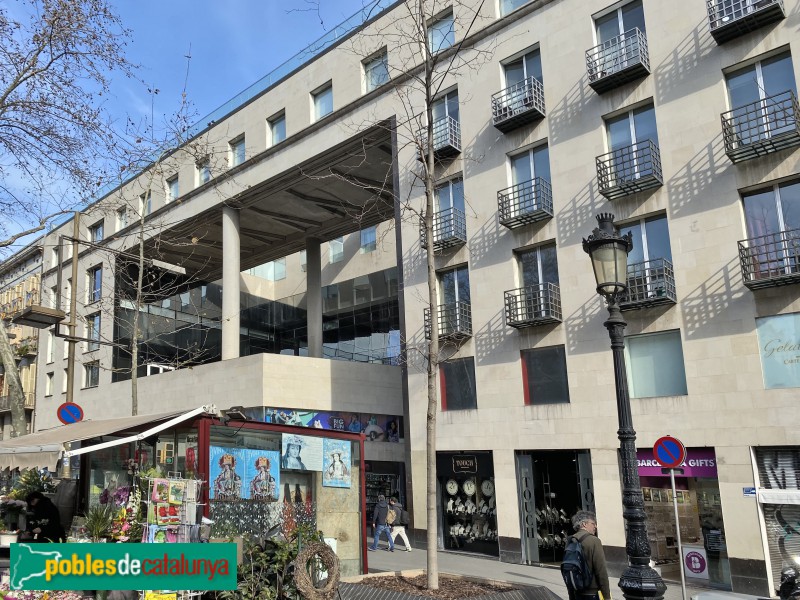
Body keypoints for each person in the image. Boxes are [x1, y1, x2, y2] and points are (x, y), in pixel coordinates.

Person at [565, 510, 610, 600]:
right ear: (584, 524)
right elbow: (601, 571)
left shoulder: (570, 541)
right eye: (593, 523)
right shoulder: (594, 541)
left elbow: (568, 568)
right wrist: (607, 596)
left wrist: (571, 595)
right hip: (591, 593)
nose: (595, 526)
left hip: (576, 592)